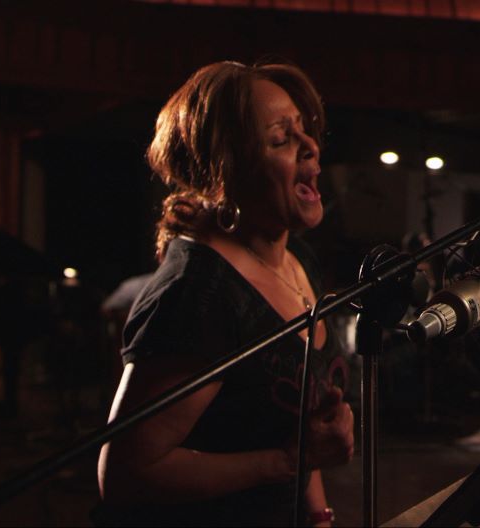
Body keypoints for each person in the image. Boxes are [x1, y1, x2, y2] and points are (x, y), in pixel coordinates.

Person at [95, 61, 354, 526]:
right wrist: (285, 461)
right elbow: (127, 475)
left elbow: (303, 432)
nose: (311, 147)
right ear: (226, 172)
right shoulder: (198, 296)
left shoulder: (298, 261)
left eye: (305, 131)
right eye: (282, 139)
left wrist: (319, 518)